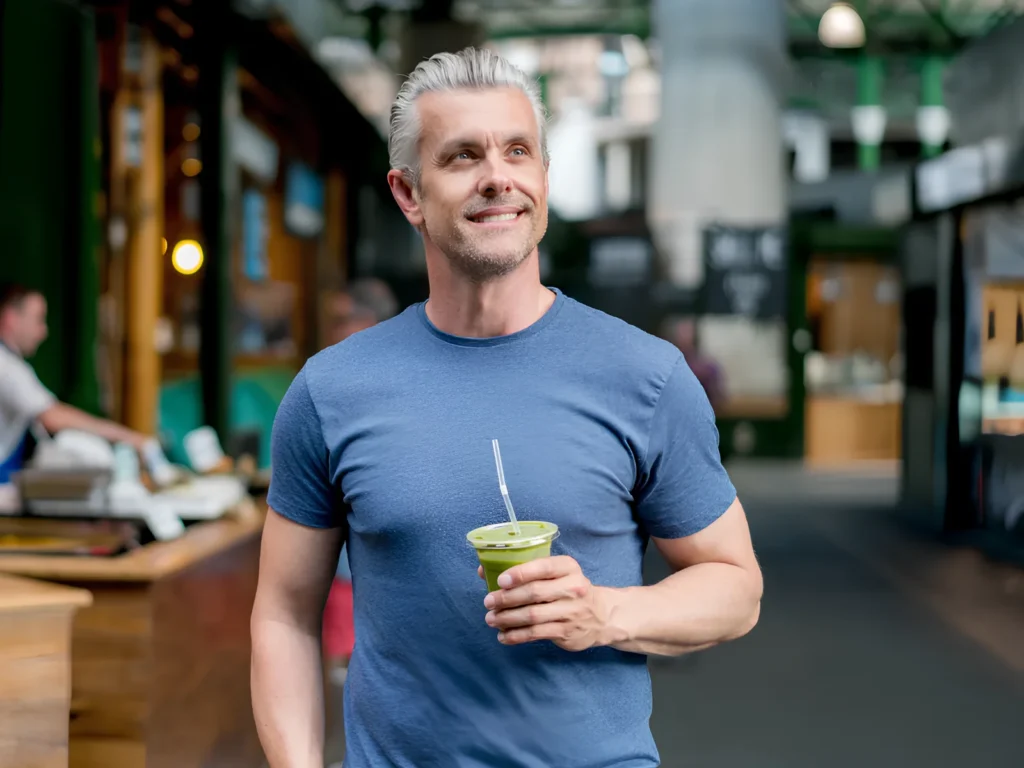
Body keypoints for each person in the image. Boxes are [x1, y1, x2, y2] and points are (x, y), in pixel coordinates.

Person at [251, 47, 762, 768]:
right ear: (408, 193)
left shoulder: (644, 377)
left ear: (543, 177)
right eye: (463, 156)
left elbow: (736, 588)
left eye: (517, 151)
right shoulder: (331, 391)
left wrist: (606, 612)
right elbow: (284, 614)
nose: (498, 176)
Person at [0, 283, 149, 484]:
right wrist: (131, 438)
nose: (43, 331)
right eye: (38, 320)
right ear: (11, 318)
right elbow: (53, 416)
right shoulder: (6, 367)